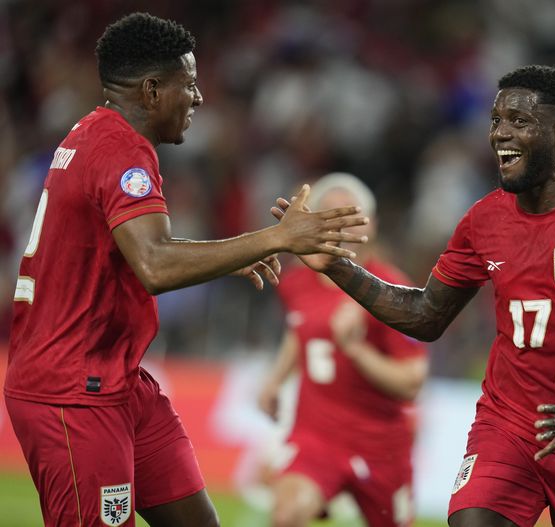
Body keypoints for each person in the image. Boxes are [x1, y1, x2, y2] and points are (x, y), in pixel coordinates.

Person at [4, 13, 368, 527]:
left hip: (117, 379)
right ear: (152, 91)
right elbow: (154, 263)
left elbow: (136, 250)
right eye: (189, 85)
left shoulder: (96, 134)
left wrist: (232, 254)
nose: (198, 98)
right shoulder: (119, 151)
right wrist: (277, 237)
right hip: (72, 391)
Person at [272, 65, 555, 527]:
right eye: (496, 120)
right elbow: (425, 315)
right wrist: (337, 266)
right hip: (509, 426)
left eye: (519, 121)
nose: (500, 134)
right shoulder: (484, 220)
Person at [258, 173, 429, 527]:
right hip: (316, 436)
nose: (339, 224)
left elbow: (412, 382)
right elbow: (300, 328)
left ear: (371, 225)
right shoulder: (296, 282)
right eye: (329, 214)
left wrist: (356, 350)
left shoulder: (393, 291)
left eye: (348, 214)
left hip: (381, 446)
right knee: (287, 514)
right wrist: (276, 380)